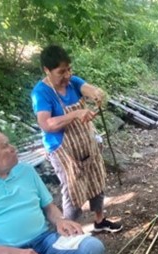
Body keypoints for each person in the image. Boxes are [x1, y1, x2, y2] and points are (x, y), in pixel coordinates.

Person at [31, 44, 122, 233]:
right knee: (73, 192)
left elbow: (87, 88)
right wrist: (75, 114)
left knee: (96, 180)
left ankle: (99, 221)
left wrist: (97, 93)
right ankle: (70, 232)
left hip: (85, 141)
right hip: (63, 150)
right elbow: (46, 124)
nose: (67, 75)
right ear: (47, 70)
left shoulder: (73, 82)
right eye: (61, 72)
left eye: (69, 69)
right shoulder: (41, 93)